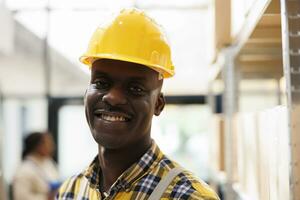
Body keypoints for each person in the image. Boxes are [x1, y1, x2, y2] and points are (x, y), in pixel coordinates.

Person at [56, 8, 219, 200]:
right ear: (86, 94)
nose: (113, 98)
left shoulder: (188, 196)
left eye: (135, 89)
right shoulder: (71, 191)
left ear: (158, 104)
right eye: (101, 83)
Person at [13, 132, 60, 200]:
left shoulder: (49, 163)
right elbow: (20, 198)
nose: (52, 146)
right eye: (49, 143)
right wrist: (46, 198)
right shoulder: (24, 169)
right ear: (38, 146)